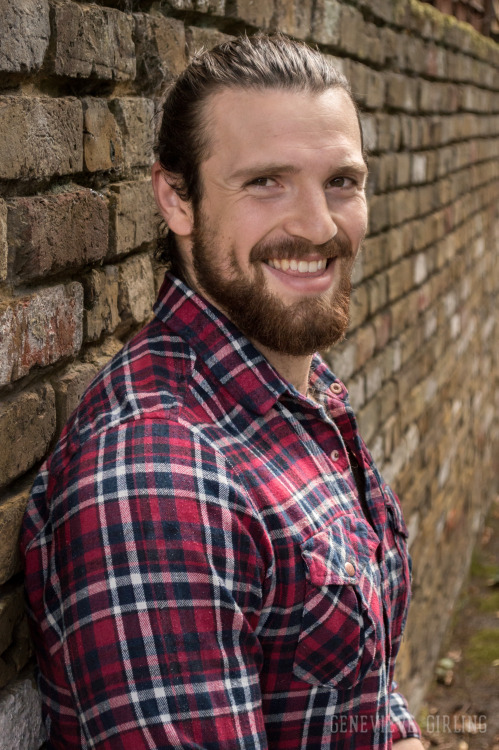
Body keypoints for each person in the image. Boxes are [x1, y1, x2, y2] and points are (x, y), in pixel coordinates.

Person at [21, 33, 423, 749]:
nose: (318, 225)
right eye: (265, 182)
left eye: (342, 181)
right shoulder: (158, 476)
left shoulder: (299, 386)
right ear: (176, 198)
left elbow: (357, 685)